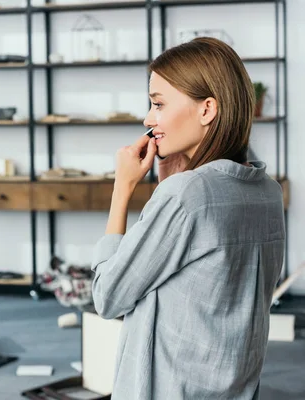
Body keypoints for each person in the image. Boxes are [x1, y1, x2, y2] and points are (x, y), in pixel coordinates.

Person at [91, 37, 285, 399]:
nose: (149, 119)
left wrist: (122, 189)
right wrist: (173, 183)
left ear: (207, 109)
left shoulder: (186, 196)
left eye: (158, 104)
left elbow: (107, 296)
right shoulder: (268, 191)